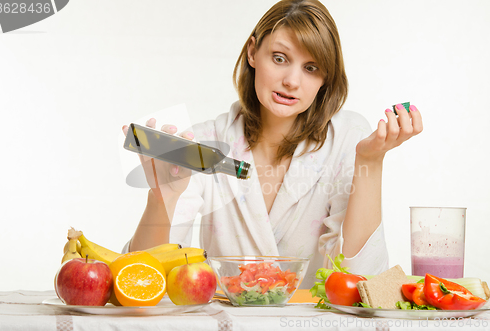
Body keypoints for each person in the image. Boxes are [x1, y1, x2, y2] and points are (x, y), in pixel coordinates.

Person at [122, 0, 422, 288]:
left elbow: (363, 283)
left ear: (325, 79)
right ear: (253, 52)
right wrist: (163, 196)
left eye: (311, 67)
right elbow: (140, 281)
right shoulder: (204, 144)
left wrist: (369, 162)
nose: (292, 81)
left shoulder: (347, 137)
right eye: (280, 58)